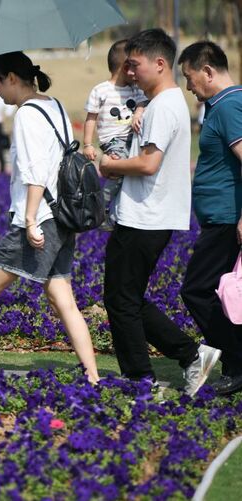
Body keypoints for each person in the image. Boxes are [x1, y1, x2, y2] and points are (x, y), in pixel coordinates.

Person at [99, 29, 221, 396]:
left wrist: (110, 165)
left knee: (120, 299)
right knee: (126, 297)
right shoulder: (160, 105)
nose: (130, 72)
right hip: (148, 214)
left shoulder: (165, 106)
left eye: (134, 65)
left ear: (160, 63)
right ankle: (188, 356)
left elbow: (150, 164)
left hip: (145, 215)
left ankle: (142, 378)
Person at [0, 52, 99, 383]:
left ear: (11, 78)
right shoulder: (53, 104)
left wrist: (28, 220)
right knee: (62, 297)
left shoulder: (27, 114)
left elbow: (36, 172)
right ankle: (93, 376)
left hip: (40, 217)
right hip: (64, 216)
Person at [179, 40, 242, 396]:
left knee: (197, 290)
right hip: (219, 218)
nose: (189, 86)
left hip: (227, 219)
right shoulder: (219, 106)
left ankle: (236, 360)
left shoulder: (231, 105)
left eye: (190, 77)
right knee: (225, 294)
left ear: (207, 71)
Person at [83, 39, 147, 230]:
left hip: (132, 140)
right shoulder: (100, 90)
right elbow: (91, 118)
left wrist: (138, 111)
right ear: (125, 66)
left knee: (128, 175)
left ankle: (117, 212)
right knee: (120, 172)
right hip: (113, 141)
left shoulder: (135, 89)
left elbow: (143, 103)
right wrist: (87, 144)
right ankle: (101, 207)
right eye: (134, 65)